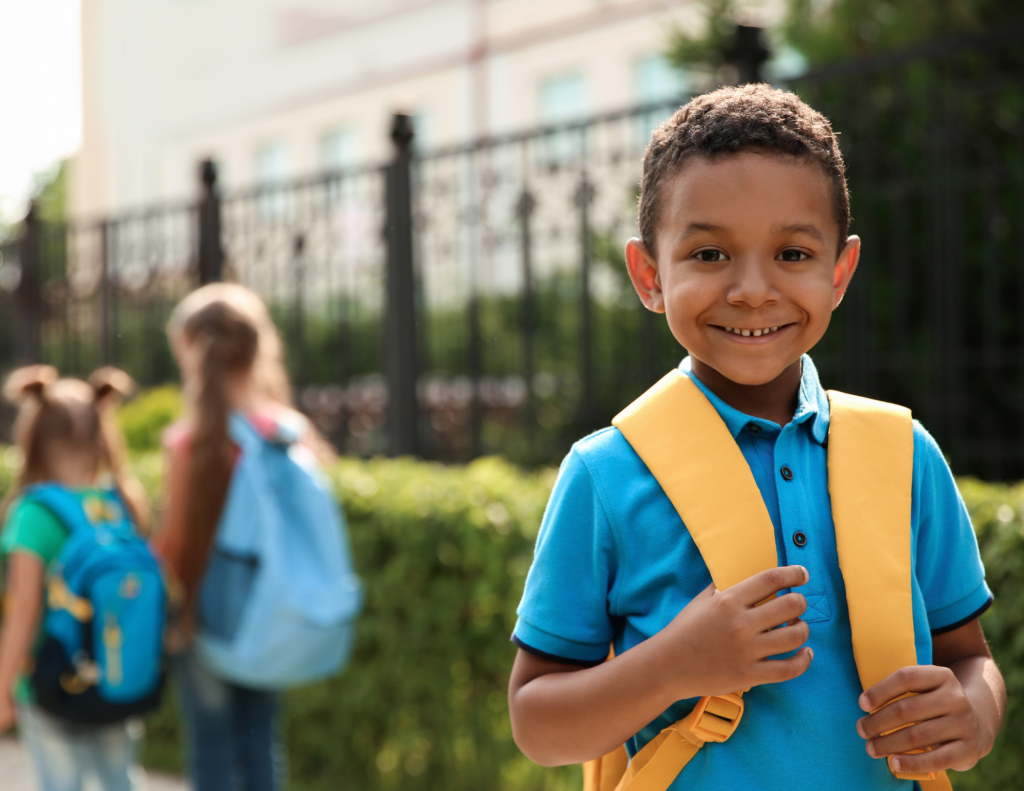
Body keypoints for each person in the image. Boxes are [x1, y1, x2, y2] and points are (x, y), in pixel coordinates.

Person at [507, 84, 1005, 789]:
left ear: (840, 271)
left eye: (793, 254)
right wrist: (675, 664)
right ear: (650, 274)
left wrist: (974, 714)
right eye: (709, 255)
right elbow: (536, 720)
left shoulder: (906, 455)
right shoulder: (605, 474)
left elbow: (970, 657)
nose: (752, 289)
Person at [154, 282, 330, 791]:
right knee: (260, 742)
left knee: (210, 748)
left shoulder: (191, 443)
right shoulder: (286, 430)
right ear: (258, 348)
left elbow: (176, 544)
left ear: (190, 351)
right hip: (270, 611)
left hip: (204, 622)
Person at [0, 364, 150, 791]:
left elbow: (24, 606)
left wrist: (4, 685)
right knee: (119, 779)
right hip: (118, 674)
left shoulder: (33, 514)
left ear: (33, 439)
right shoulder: (120, 501)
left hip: (50, 682)